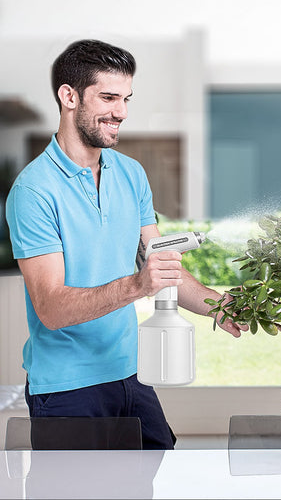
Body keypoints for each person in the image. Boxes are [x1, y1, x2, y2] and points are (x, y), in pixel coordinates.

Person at [6, 39, 248, 449]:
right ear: (69, 97)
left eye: (126, 98)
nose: (121, 111)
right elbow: (51, 307)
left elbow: (160, 265)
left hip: (129, 374)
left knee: (157, 461)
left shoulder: (131, 174)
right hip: (67, 386)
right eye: (108, 97)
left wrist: (219, 306)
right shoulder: (34, 191)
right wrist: (137, 286)